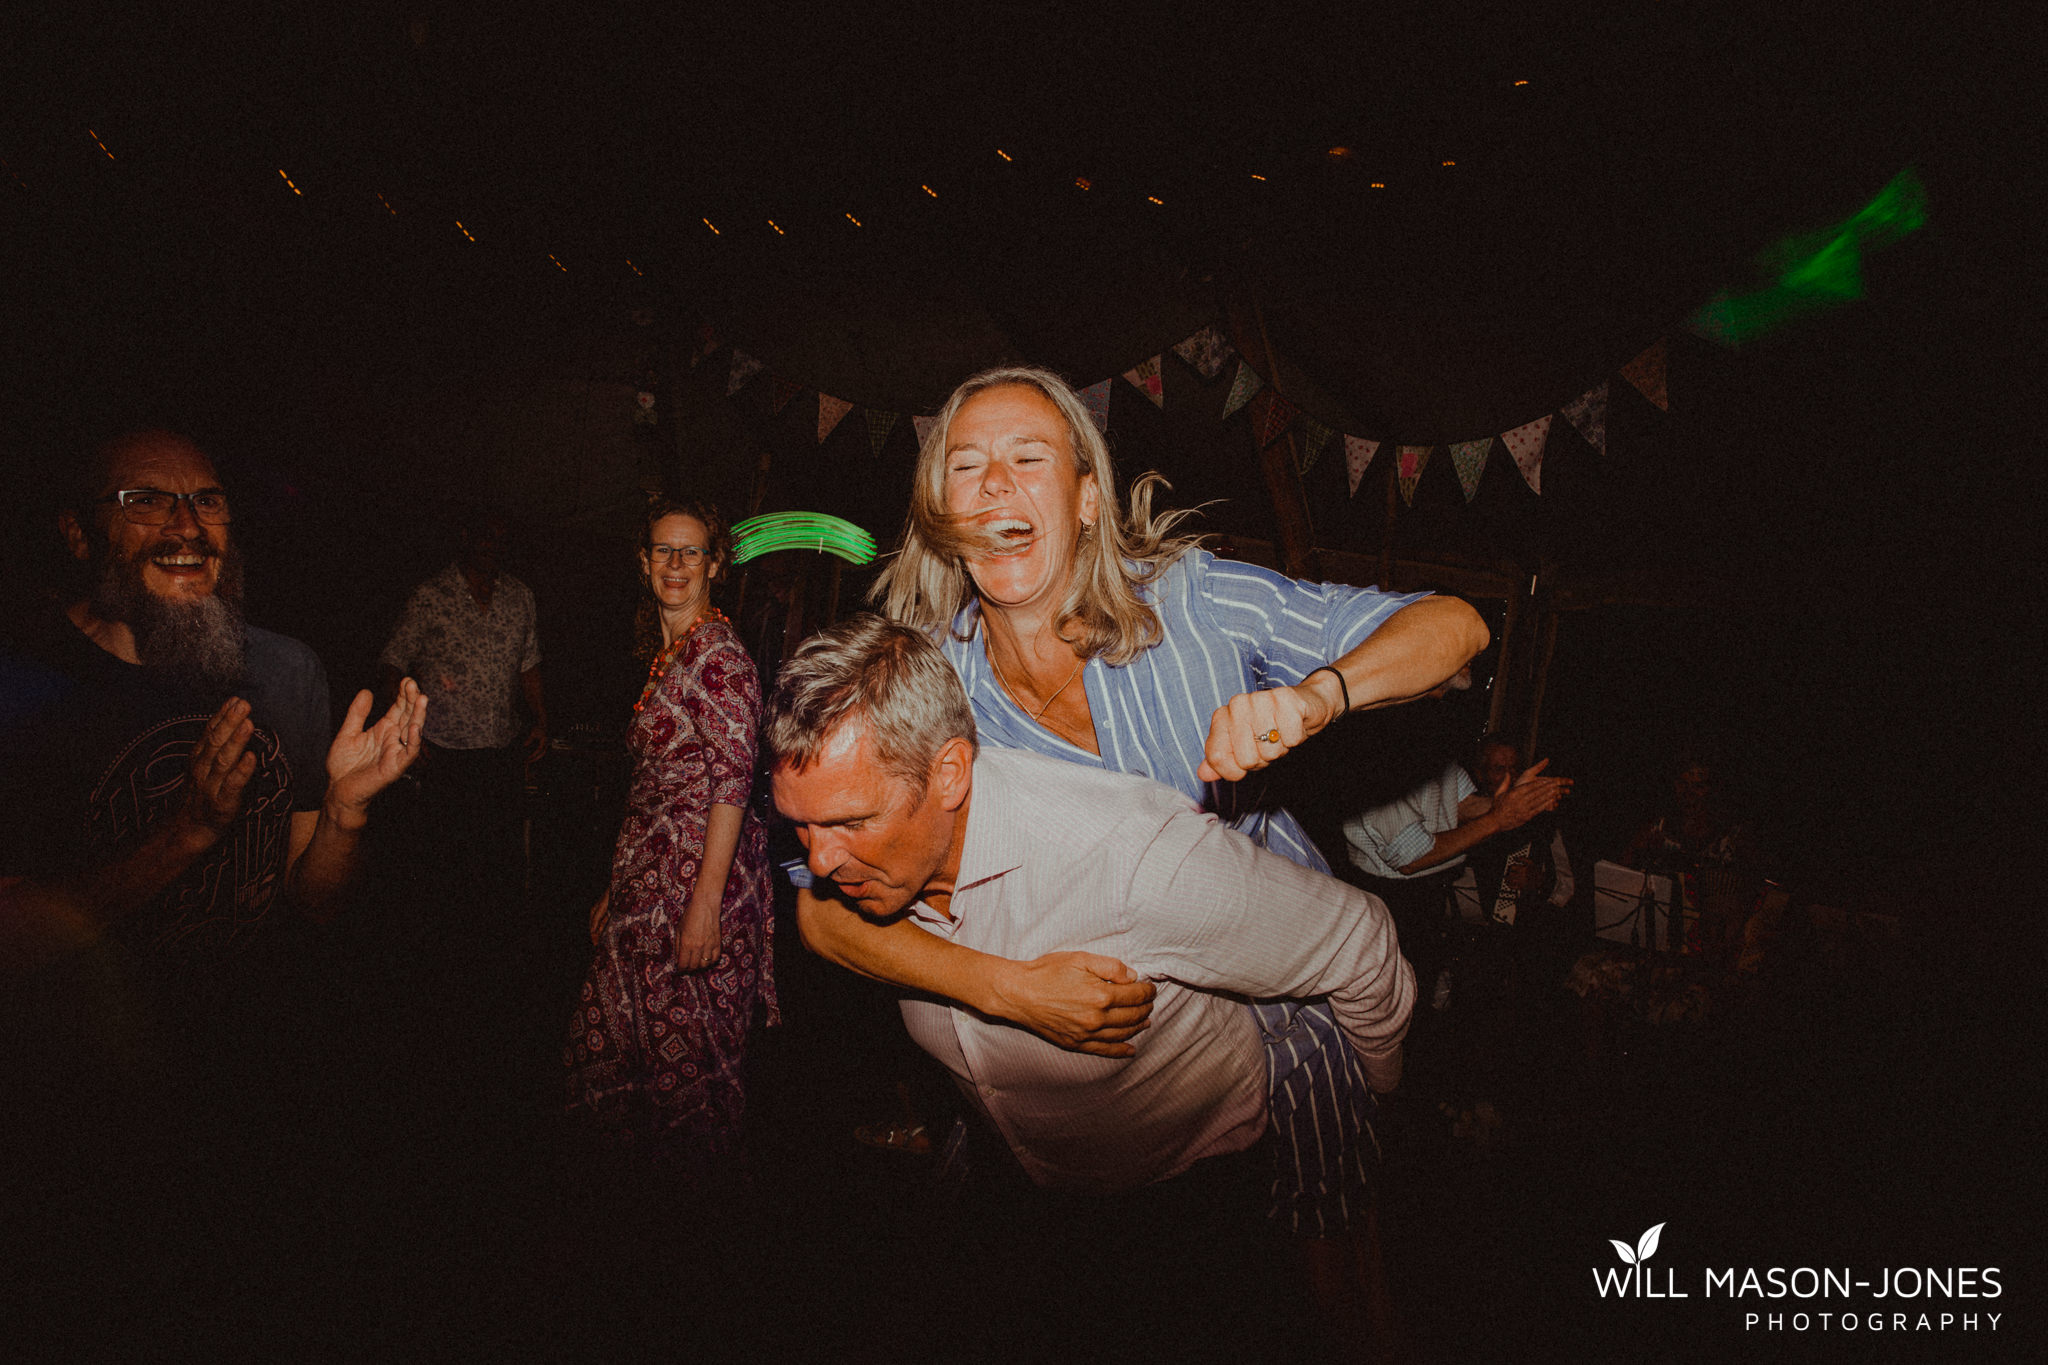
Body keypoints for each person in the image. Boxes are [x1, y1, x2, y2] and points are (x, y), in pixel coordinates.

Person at [768, 618, 1413, 1335]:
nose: (820, 860)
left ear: (948, 773)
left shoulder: (1132, 861)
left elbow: (1363, 939)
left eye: (849, 822)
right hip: (1015, 1195)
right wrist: (1005, 988)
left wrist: (1381, 1096)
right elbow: (816, 917)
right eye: (800, 825)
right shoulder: (868, 860)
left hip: (1178, 1225)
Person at [0, 429, 426, 977]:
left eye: (207, 501)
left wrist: (345, 812)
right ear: (79, 533)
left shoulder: (286, 671)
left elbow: (315, 906)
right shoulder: (20, 689)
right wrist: (187, 831)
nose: (187, 527)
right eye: (146, 501)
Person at [565, 496, 776, 1166]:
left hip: (697, 891)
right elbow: (650, 793)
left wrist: (705, 906)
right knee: (612, 1058)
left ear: (715, 563)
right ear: (644, 562)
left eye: (691, 550)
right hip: (646, 890)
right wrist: (616, 888)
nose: (676, 563)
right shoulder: (672, 653)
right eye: (664, 550)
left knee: (689, 1081)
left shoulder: (721, 657)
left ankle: (690, 1236)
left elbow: (732, 784)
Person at [376, 511, 545, 931]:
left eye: (502, 538)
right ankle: (441, 957)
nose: (494, 545)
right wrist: (401, 731)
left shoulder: (520, 596)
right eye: (487, 535)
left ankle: (497, 954)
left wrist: (541, 718)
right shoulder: (431, 595)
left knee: (501, 867)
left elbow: (529, 665)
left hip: (501, 753)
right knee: (445, 870)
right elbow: (392, 662)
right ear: (467, 535)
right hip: (444, 756)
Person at [1341, 704, 1572, 1003]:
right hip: (1389, 901)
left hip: (1427, 897)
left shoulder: (1431, 747)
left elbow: (1462, 805)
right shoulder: (1378, 758)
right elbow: (1410, 858)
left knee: (1417, 1004)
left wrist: (1514, 802)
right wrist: (1497, 820)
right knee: (1384, 1008)